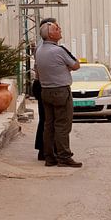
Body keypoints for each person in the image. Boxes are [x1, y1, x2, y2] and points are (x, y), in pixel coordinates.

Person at [34, 21, 82, 167]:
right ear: (50, 34)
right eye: (56, 29)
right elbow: (76, 65)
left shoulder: (39, 50)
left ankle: (49, 157)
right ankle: (64, 156)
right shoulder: (59, 50)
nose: (60, 30)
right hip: (61, 91)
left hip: (46, 90)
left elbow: (37, 70)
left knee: (49, 125)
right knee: (62, 125)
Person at [33, 17, 57, 161]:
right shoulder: (45, 48)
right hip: (44, 84)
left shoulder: (43, 47)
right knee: (47, 119)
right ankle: (45, 149)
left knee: (46, 119)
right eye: (54, 27)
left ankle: (44, 149)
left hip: (42, 84)